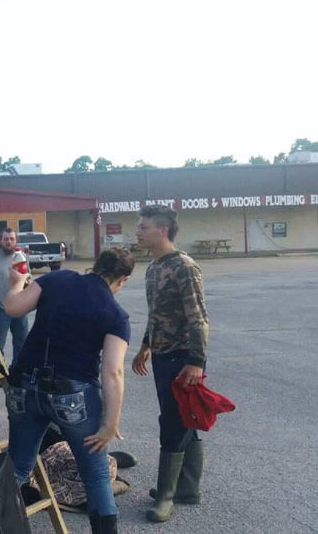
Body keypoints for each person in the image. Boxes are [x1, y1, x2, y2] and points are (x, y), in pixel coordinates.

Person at [2, 248, 135, 534]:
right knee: (96, 474)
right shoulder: (115, 314)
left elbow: (13, 308)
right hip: (72, 396)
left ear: (95, 265)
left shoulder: (56, 280)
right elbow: (112, 372)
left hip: (24, 387)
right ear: (122, 280)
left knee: (18, 466)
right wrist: (110, 424)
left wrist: (15, 284)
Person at [130, 205, 209, 523]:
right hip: (162, 355)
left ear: (162, 231)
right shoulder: (153, 266)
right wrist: (145, 345)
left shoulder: (183, 266)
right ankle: (187, 488)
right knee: (180, 417)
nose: (138, 231)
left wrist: (196, 361)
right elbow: (157, 313)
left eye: (143, 226)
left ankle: (166, 495)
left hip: (182, 358)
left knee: (174, 422)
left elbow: (198, 317)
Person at [0, 228, 30, 365]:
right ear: (0, 241)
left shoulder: (21, 257)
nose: (9, 242)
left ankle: (17, 373)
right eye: (6, 239)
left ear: (16, 241)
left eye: (12, 239)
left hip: (19, 308)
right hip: (1, 309)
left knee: (21, 344)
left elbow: (27, 279)